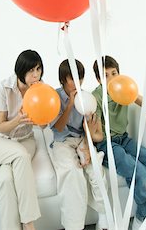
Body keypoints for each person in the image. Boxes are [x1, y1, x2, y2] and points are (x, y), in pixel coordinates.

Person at [92, 55, 146, 230]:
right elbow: (97, 136)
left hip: (124, 138)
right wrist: (90, 128)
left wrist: (133, 95)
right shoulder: (96, 97)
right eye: (106, 75)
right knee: (141, 175)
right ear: (99, 79)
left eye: (114, 73)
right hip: (107, 144)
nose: (112, 78)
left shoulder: (124, 91)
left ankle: (145, 217)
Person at [0, 49, 43, 230]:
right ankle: (29, 223)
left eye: (38, 69)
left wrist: (42, 120)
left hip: (25, 140)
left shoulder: (41, 89)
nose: (36, 75)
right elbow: (1, 126)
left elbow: (44, 126)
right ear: (20, 71)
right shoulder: (4, 87)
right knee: (21, 156)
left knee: (6, 180)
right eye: (31, 70)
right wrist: (18, 119)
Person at [49, 58, 108, 230]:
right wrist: (69, 105)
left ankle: (103, 216)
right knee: (72, 172)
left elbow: (93, 130)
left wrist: (87, 147)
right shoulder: (55, 96)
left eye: (80, 78)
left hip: (82, 138)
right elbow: (58, 127)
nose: (77, 83)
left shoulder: (86, 97)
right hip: (62, 141)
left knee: (96, 167)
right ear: (63, 80)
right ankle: (74, 226)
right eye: (72, 79)